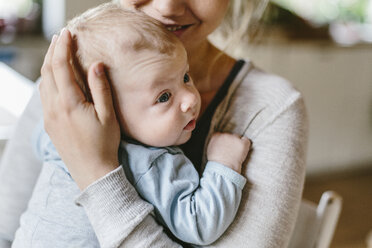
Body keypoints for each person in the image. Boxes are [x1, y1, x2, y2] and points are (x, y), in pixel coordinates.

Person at [0, 0, 309, 247]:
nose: (167, 6)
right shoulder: (64, 85)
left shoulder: (272, 109)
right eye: (163, 96)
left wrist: (97, 172)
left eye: (184, 78)